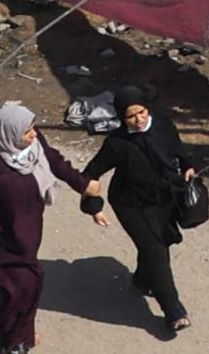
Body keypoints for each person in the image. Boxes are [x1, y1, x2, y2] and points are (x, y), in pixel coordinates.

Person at [0, 103, 90, 354]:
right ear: (9, 133)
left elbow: (55, 161)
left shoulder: (32, 148)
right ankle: (12, 343)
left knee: (31, 283)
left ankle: (24, 332)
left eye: (33, 128)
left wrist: (82, 184)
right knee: (9, 292)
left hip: (26, 234)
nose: (34, 134)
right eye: (27, 131)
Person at [78, 96, 200, 341]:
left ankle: (144, 280)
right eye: (131, 116)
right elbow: (90, 175)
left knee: (161, 242)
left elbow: (177, 150)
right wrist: (94, 207)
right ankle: (173, 310)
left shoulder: (163, 125)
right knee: (155, 250)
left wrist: (188, 165)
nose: (139, 119)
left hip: (162, 198)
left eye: (141, 112)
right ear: (123, 118)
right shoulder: (117, 143)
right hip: (130, 204)